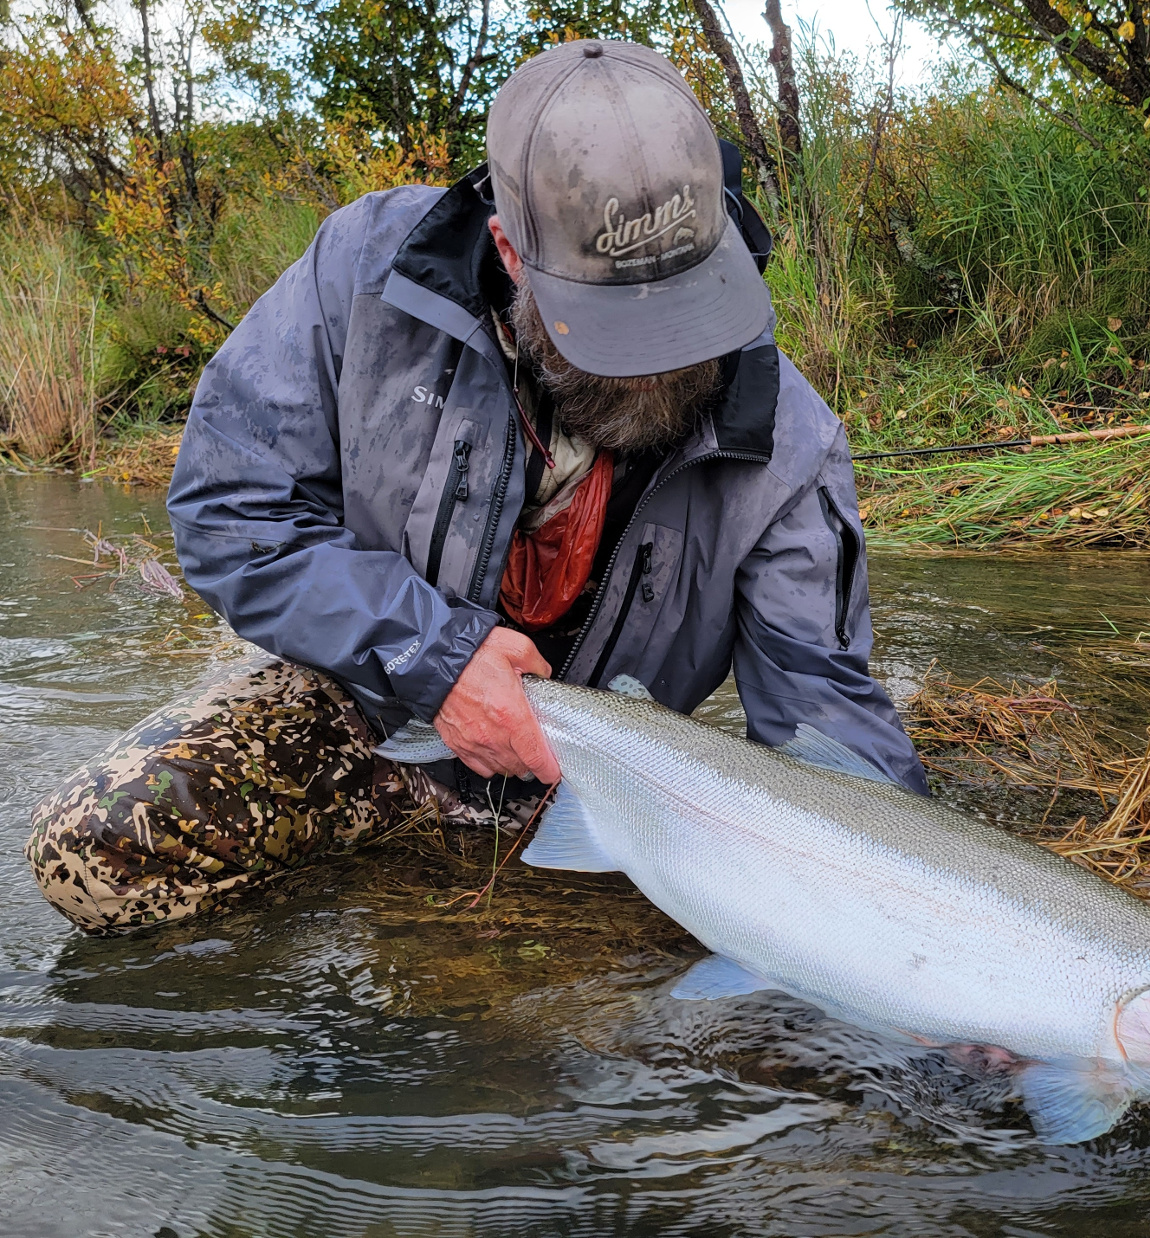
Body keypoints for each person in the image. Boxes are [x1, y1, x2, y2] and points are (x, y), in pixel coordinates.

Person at [26, 39, 926, 936]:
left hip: (611, 784)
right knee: (97, 849)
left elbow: (824, 705)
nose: (663, 358)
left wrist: (922, 934)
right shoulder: (363, 276)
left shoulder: (792, 439)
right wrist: (435, 656)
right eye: (618, 325)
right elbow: (231, 510)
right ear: (510, 248)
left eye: (689, 308)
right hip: (378, 713)